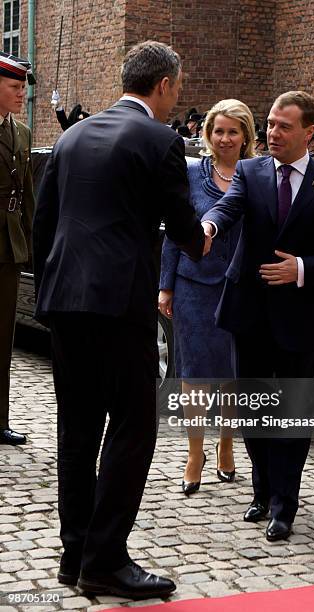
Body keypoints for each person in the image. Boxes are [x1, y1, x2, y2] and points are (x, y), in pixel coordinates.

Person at [33, 41, 206, 600]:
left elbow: (45, 222)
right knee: (134, 426)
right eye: (177, 89)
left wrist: (51, 291)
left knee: (77, 430)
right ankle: (105, 561)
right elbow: (183, 226)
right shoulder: (160, 139)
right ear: (163, 86)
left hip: (65, 302)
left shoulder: (72, 134)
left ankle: (75, 552)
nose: (176, 98)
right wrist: (203, 238)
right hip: (119, 306)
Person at [201, 91, 314, 543]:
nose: (272, 133)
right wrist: (209, 226)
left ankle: (283, 506)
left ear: (309, 133)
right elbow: (227, 208)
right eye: (269, 124)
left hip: (297, 315)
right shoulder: (250, 172)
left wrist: (303, 268)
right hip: (247, 309)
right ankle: (262, 490)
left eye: (283, 126)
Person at [159, 99, 256, 495]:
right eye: (219, 131)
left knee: (232, 374)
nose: (225, 138)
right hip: (193, 289)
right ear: (208, 134)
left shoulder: (257, 174)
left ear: (246, 136)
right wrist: (165, 284)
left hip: (239, 288)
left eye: (233, 131)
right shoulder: (189, 173)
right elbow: (173, 232)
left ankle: (227, 444)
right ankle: (194, 452)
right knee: (194, 376)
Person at [0, 51, 35, 446]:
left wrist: (31, 241)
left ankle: (0, 418)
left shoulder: (22, 133)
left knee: (2, 339)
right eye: (13, 87)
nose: (19, 93)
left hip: (9, 249)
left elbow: (27, 196)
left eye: (22, 87)